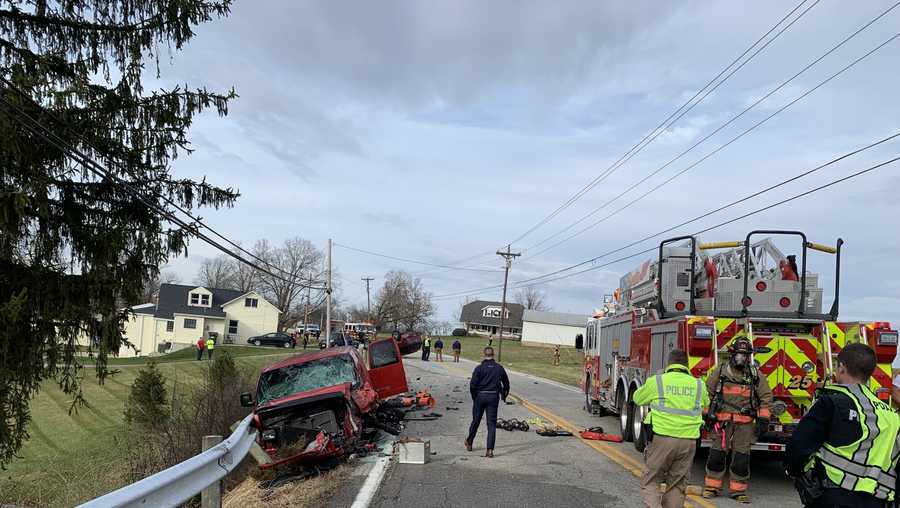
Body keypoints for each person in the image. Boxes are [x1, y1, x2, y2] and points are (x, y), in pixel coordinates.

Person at [785, 343, 900, 507]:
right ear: (871, 372)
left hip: (833, 497)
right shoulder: (892, 415)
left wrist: (797, 472)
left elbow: (798, 447)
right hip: (878, 501)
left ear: (841, 368)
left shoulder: (830, 403)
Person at [633, 349, 709, 508]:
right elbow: (706, 405)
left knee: (652, 480)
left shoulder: (658, 381)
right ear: (687, 365)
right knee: (677, 485)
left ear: (668, 364)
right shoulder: (698, 384)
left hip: (662, 439)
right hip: (688, 442)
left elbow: (637, 398)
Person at [702, 337, 773, 503]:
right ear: (731, 354)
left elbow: (766, 397)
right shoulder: (720, 372)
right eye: (738, 354)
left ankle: (738, 490)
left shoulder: (755, 375)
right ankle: (712, 487)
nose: (741, 358)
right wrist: (706, 415)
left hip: (745, 424)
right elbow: (707, 394)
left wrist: (763, 418)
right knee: (717, 455)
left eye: (745, 355)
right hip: (721, 423)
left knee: (741, 457)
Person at [465, 346, 510, 458]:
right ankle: (489, 450)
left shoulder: (479, 368)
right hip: (493, 397)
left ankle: (470, 442)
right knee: (491, 424)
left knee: (476, 420)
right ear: (493, 355)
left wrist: (475, 397)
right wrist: (504, 395)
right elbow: (506, 384)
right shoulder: (499, 368)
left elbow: (472, 385)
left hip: (480, 396)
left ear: (484, 355)